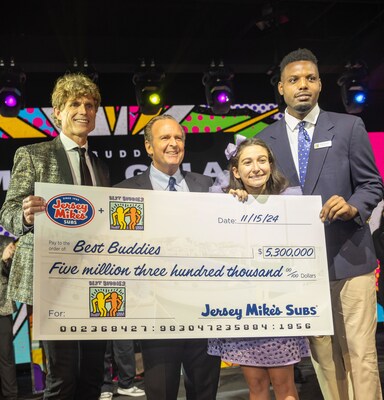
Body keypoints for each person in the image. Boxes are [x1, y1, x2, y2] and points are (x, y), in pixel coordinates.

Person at [257, 48, 384, 400]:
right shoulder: (265, 140)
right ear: (281, 88)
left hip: (351, 260)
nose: (303, 85)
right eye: (294, 79)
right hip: (301, 270)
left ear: (320, 85)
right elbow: (259, 196)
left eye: (310, 78)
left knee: (361, 355)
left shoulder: (348, 126)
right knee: (324, 357)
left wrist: (353, 205)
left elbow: (372, 184)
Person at [0, 73, 110, 400]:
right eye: (75, 104)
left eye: (90, 105)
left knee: (93, 377)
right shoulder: (34, 155)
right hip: (52, 281)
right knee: (62, 380)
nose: (84, 111)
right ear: (57, 112)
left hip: (94, 280)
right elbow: (7, 213)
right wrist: (25, 214)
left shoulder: (100, 166)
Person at [115, 114, 221, 400]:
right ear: (149, 147)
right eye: (165, 138)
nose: (173, 144)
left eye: (178, 138)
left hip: (204, 312)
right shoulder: (123, 193)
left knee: (205, 392)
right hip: (156, 313)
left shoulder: (210, 186)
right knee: (161, 392)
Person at [208, 135, 310, 400]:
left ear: (271, 165)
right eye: (247, 162)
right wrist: (230, 208)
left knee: (285, 385)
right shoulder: (224, 205)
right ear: (236, 171)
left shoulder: (288, 203)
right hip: (243, 310)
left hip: (280, 307)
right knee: (256, 386)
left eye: (262, 160)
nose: (256, 168)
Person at [0, 236, 18, 400]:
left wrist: (7, 261)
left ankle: (10, 395)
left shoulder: (7, 243)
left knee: (5, 355)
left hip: (2, 308)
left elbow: (14, 277)